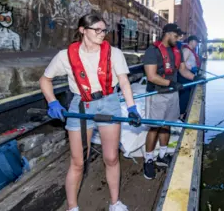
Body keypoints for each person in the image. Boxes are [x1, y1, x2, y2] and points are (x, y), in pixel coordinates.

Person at [40, 14, 141, 211]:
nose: (102, 34)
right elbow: (45, 80)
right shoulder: (65, 56)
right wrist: (53, 103)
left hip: (109, 101)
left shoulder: (115, 53)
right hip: (80, 104)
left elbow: (124, 82)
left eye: (104, 30)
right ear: (82, 30)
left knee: (111, 158)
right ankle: (72, 207)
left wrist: (131, 108)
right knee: (78, 162)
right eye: (97, 30)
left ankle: (115, 203)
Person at [142, 23, 204, 179]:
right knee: (155, 128)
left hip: (172, 94)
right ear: (168, 34)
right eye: (176, 36)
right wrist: (171, 83)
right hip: (157, 94)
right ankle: (148, 159)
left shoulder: (177, 50)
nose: (178, 39)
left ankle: (162, 155)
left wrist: (195, 78)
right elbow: (151, 76)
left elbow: (182, 69)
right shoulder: (152, 51)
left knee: (168, 125)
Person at [178, 35, 202, 120]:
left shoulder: (191, 50)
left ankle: (183, 113)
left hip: (189, 75)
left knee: (187, 95)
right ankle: (181, 115)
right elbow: (182, 62)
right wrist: (191, 68)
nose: (197, 44)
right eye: (196, 42)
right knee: (185, 95)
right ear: (191, 41)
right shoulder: (186, 50)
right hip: (185, 76)